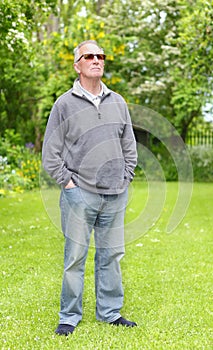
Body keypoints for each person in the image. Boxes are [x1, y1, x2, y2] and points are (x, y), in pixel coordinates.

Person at [42, 40, 138, 336]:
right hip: (78, 194)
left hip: (115, 194)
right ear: (77, 65)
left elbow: (129, 146)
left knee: (111, 255)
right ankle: (69, 316)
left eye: (100, 56)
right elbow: (50, 153)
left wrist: (125, 177)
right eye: (89, 56)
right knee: (75, 258)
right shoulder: (64, 104)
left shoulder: (118, 102)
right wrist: (69, 184)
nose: (97, 59)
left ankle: (110, 312)